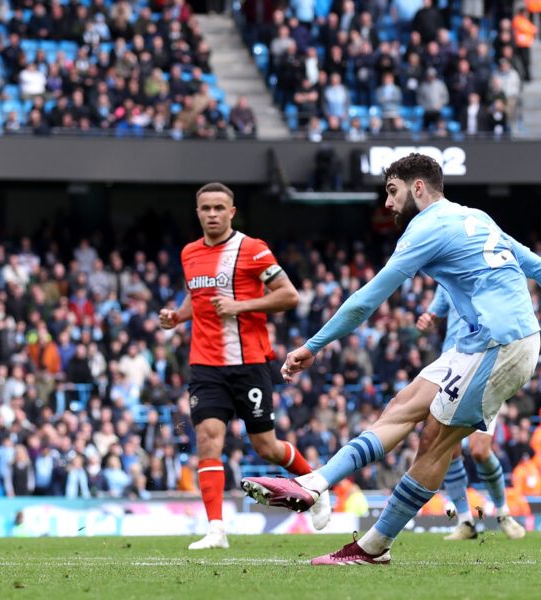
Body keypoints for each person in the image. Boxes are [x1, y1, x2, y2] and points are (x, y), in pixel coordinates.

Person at [242, 153, 541, 565]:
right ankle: (316, 482)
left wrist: (313, 346)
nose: (387, 202)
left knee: (436, 442)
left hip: (501, 343)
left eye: (392, 191)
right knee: (401, 406)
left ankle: (372, 547)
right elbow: (535, 267)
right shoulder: (475, 217)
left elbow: (366, 301)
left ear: (418, 188)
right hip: (482, 341)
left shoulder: (426, 227)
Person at [159, 182, 331, 550]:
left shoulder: (252, 250)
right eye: (206, 208)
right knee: (207, 440)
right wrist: (177, 316)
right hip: (205, 365)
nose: (213, 214)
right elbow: (197, 297)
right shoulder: (189, 253)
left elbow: (289, 295)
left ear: (232, 212)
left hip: (249, 362)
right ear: (198, 212)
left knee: (266, 446)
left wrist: (239, 306)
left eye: (219, 208)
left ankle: (317, 482)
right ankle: (216, 529)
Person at [417, 284, 526, 540]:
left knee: (479, 450)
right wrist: (427, 320)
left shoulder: (492, 274)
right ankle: (465, 521)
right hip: (452, 367)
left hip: (484, 368)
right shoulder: (445, 278)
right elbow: (434, 314)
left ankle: (502, 513)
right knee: (448, 447)